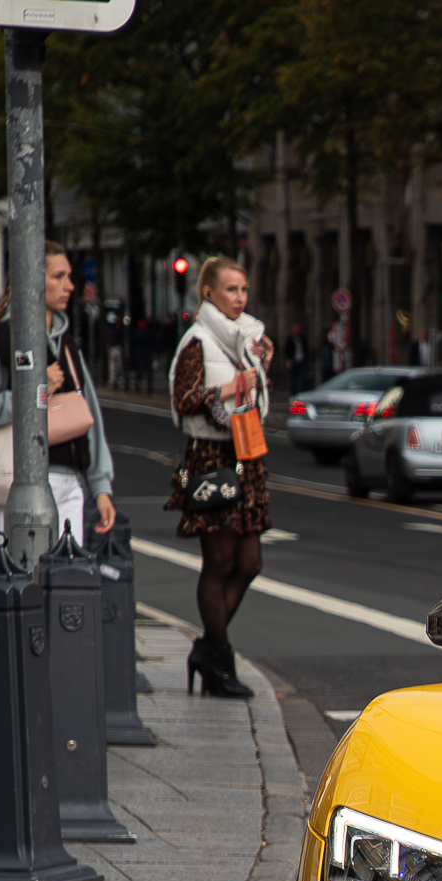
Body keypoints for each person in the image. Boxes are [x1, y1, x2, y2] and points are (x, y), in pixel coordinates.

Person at [0, 237, 116, 560]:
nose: (69, 286)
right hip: (19, 480)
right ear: (32, 278)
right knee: (26, 582)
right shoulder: (4, 339)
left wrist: (100, 487)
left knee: (66, 583)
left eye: (68, 276)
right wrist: (36, 391)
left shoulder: (66, 344)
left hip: (70, 481)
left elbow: (91, 415)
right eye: (58, 277)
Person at [163, 256, 275, 699]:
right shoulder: (198, 340)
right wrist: (230, 387)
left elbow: (257, 388)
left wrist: (259, 365)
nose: (240, 298)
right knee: (220, 562)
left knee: (250, 563)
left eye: (244, 289)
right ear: (208, 292)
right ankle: (219, 658)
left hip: (246, 452)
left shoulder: (248, 336)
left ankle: (208, 651)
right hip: (212, 456)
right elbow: (183, 398)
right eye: (231, 289)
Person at [285, 323, 312, 396]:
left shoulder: (302, 339)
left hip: (302, 360)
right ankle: (293, 394)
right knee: (293, 379)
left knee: (303, 378)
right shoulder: (290, 340)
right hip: (294, 361)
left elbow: (306, 349)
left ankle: (302, 393)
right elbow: (287, 351)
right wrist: (288, 361)